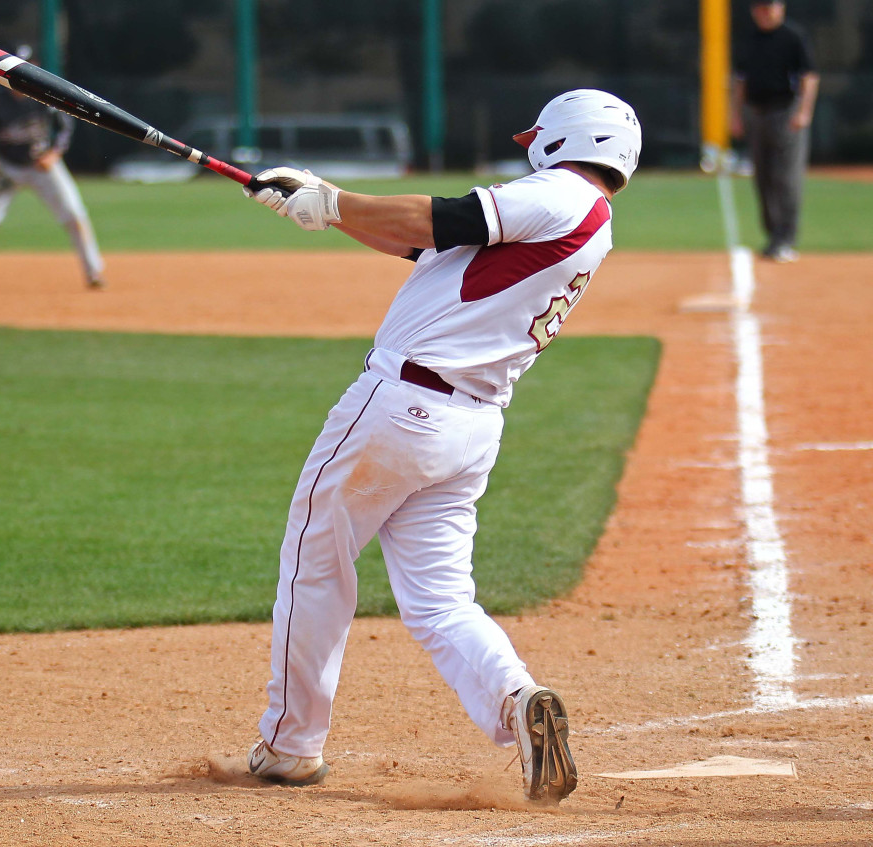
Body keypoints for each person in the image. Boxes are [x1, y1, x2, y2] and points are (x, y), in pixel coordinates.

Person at [240, 89, 642, 804]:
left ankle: (291, 744)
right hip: (467, 427)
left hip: (400, 407)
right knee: (441, 602)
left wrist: (331, 198)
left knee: (313, 561)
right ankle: (517, 699)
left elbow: (445, 216)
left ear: (563, 140)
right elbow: (424, 241)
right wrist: (321, 210)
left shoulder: (556, 192)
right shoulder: (590, 220)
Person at [0, 43, 106, 290]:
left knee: (74, 214)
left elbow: (65, 129)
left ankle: (93, 272)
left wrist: (53, 155)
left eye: (26, 68)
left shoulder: (46, 96)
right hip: (7, 166)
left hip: (42, 166)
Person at [730, 0, 819, 263]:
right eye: (760, 7)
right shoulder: (750, 40)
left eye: (770, 6)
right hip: (757, 112)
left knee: (787, 178)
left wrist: (804, 111)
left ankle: (786, 239)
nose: (765, 12)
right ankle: (773, 237)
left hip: (786, 112)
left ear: (781, 7)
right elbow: (740, 80)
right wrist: (736, 114)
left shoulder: (793, 37)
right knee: (763, 177)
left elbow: (809, 76)